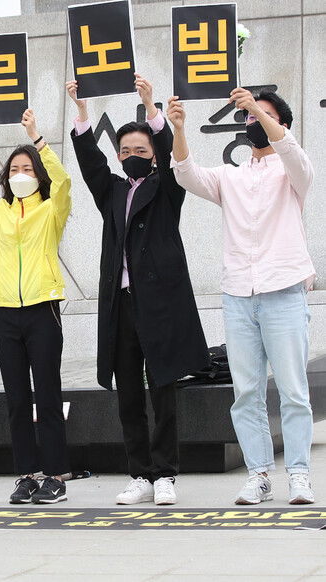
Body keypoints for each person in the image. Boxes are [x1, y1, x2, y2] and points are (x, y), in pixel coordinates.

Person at [67, 75, 208, 505]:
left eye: (139, 152)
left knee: (162, 386)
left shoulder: (167, 187)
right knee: (129, 390)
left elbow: (171, 157)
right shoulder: (110, 191)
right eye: (125, 151)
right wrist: (83, 115)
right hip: (120, 305)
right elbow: (91, 165)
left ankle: (165, 474)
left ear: (151, 158)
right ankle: (139, 474)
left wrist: (151, 108)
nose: (131, 156)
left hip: (159, 303)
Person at [170, 88, 315, 505]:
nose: (252, 122)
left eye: (262, 116)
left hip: (284, 291)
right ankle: (259, 475)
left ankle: (300, 475)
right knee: (246, 393)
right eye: (249, 117)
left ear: (280, 124)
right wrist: (179, 128)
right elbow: (186, 172)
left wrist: (255, 104)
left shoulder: (294, 171)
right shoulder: (231, 176)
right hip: (238, 295)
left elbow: (288, 149)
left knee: (292, 391)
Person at [0, 108, 72, 504]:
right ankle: (27, 474)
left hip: (43, 310)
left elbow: (65, 181)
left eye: (28, 168)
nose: (20, 173)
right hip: (5, 313)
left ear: (37, 174)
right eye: (14, 168)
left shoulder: (51, 209)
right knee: (17, 399)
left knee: (48, 395)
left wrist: (37, 137)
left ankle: (55, 476)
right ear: (6, 176)